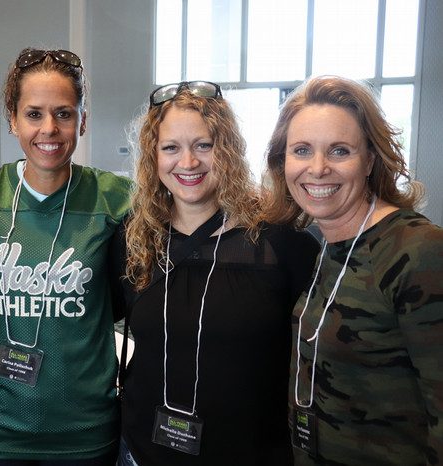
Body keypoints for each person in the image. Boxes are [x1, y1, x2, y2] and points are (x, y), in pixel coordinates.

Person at [111, 81, 320, 465]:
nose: (188, 162)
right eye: (170, 148)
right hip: (144, 452)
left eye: (203, 145)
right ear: (153, 156)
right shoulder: (134, 239)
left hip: (251, 454)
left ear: (227, 150)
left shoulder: (280, 244)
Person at [0, 48, 131, 464]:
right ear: (13, 119)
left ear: (82, 120)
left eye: (63, 113)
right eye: (34, 114)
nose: (49, 128)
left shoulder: (116, 198)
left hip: (86, 432)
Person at [263, 75, 443, 465]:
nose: (318, 168)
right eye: (302, 150)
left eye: (340, 151)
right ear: (283, 161)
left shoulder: (417, 250)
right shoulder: (329, 246)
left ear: (370, 161)